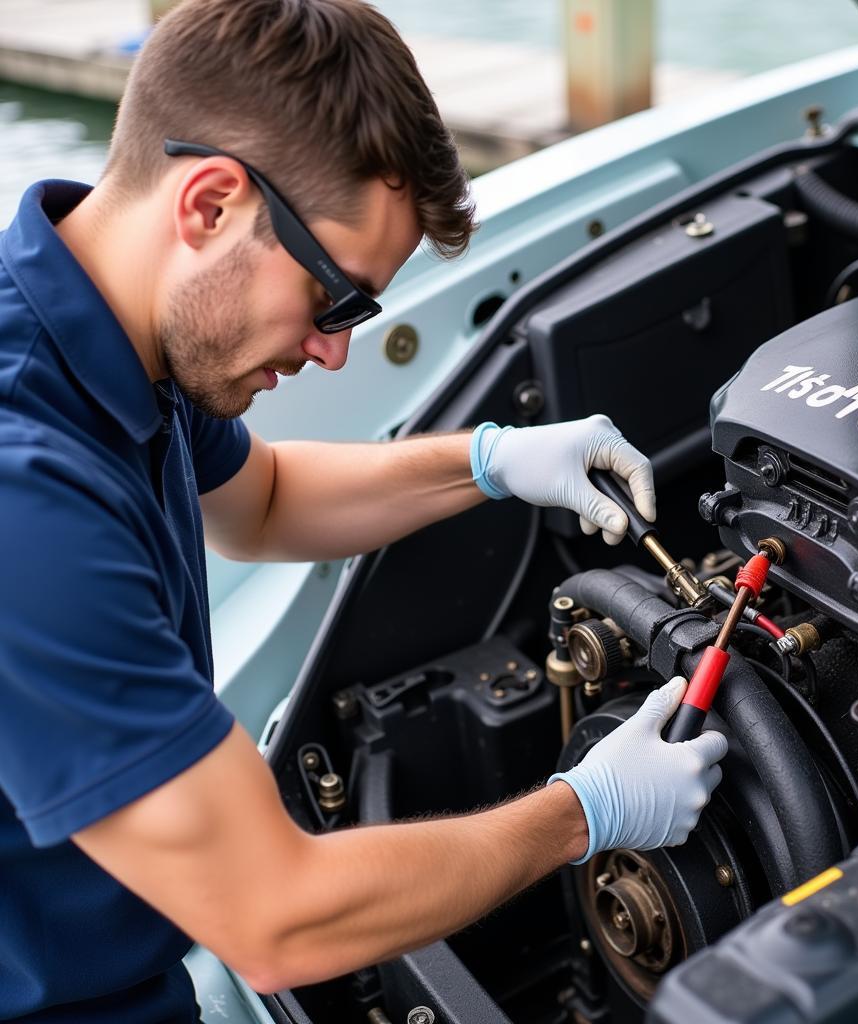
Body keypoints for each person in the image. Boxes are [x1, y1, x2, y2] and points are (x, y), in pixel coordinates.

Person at [0, 1, 728, 1020]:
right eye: (333, 298)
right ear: (209, 204)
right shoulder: (23, 494)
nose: (336, 350)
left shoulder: (109, 329)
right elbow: (274, 919)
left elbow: (262, 501)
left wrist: (494, 460)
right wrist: (585, 811)